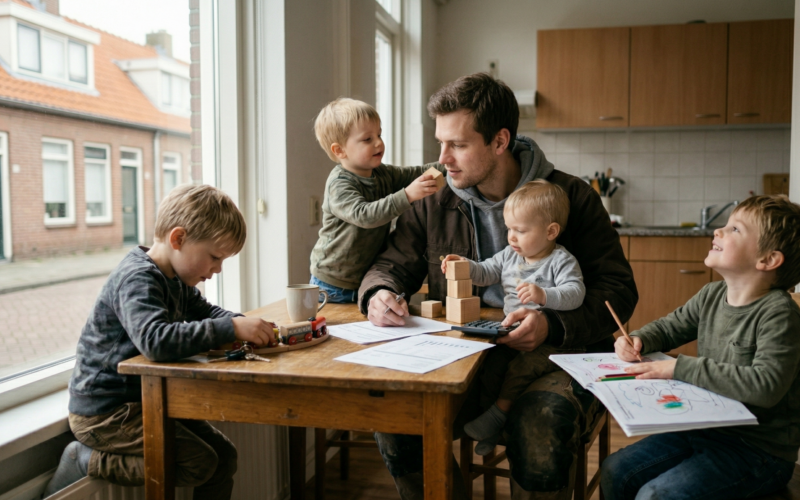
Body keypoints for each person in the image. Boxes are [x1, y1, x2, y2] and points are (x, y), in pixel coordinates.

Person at [358, 73, 637, 499]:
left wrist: (552, 326)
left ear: (500, 141)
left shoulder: (572, 197)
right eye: (440, 143)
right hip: (464, 351)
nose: (443, 158)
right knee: (398, 420)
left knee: (539, 424)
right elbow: (390, 265)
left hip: (553, 356)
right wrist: (378, 294)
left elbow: (618, 289)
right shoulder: (432, 199)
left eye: (458, 144)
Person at [44, 184, 276, 499]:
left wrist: (246, 325)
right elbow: (155, 340)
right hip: (105, 412)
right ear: (178, 239)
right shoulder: (137, 278)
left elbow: (207, 312)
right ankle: (85, 459)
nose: (217, 269)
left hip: (143, 402)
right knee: (201, 463)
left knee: (224, 458)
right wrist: (231, 328)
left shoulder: (175, 279)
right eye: (214, 257)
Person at [601, 195, 800, 500]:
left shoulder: (779, 313)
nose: (718, 231)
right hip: (705, 428)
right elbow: (669, 327)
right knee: (616, 470)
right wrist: (638, 339)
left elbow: (766, 385)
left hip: (759, 452)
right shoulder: (711, 294)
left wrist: (678, 367)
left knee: (657, 495)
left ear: (768, 260)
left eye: (735, 229)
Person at [440, 179, 585, 456]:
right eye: (509, 229)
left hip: (548, 344)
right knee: (489, 366)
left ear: (551, 231)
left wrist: (544, 295)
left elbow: (576, 293)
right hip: (510, 333)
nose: (511, 237)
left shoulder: (561, 261)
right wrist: (463, 264)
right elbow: (485, 272)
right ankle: (492, 425)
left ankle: (497, 416)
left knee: (522, 369)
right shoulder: (509, 255)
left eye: (520, 230)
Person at [309, 97, 446, 303]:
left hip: (365, 280)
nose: (379, 142)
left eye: (379, 134)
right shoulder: (339, 184)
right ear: (340, 150)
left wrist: (448, 162)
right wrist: (408, 195)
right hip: (332, 283)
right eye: (367, 139)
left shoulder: (382, 173)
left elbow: (415, 172)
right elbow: (364, 215)